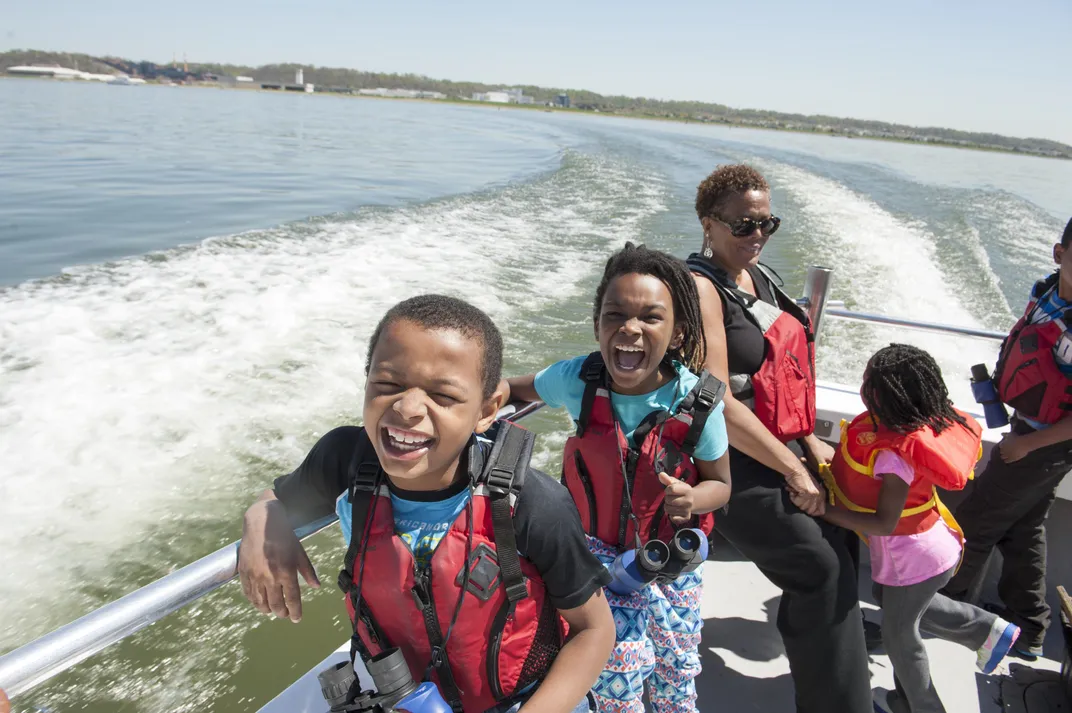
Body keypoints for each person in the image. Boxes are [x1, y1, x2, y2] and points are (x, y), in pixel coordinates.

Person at [237, 295, 616, 713]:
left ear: (487, 411)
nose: (407, 408)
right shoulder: (343, 460)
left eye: (443, 395)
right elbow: (275, 496)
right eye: (386, 385)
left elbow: (594, 630)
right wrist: (261, 521)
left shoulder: (532, 503)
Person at [504, 243, 732, 713]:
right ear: (597, 325)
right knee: (617, 671)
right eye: (615, 315)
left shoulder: (700, 407)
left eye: (650, 317)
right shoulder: (579, 380)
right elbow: (518, 387)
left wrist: (693, 498)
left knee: (677, 665)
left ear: (676, 333)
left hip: (670, 559)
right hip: (595, 556)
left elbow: (722, 484)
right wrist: (487, 395)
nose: (630, 329)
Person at [687, 164, 873, 713]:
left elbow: (787, 376)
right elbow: (718, 399)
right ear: (708, 225)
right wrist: (792, 470)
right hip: (724, 459)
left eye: (768, 223)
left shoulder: (759, 277)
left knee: (844, 540)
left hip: (779, 444)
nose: (758, 236)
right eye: (744, 225)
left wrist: (810, 444)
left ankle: (835, 666)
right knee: (819, 569)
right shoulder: (700, 289)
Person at [819, 344, 1021, 713]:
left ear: (881, 395)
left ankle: (923, 707)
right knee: (899, 607)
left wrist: (826, 511)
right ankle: (986, 630)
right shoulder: (907, 427)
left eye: (869, 382)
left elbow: (884, 522)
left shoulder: (895, 455)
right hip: (928, 547)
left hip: (915, 560)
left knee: (900, 637)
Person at [941, 216, 1072, 661]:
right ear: (1059, 254)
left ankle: (941, 614)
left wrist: (1028, 446)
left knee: (973, 524)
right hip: (1029, 428)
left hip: (1045, 444)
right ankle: (1030, 626)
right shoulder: (1050, 292)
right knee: (1023, 530)